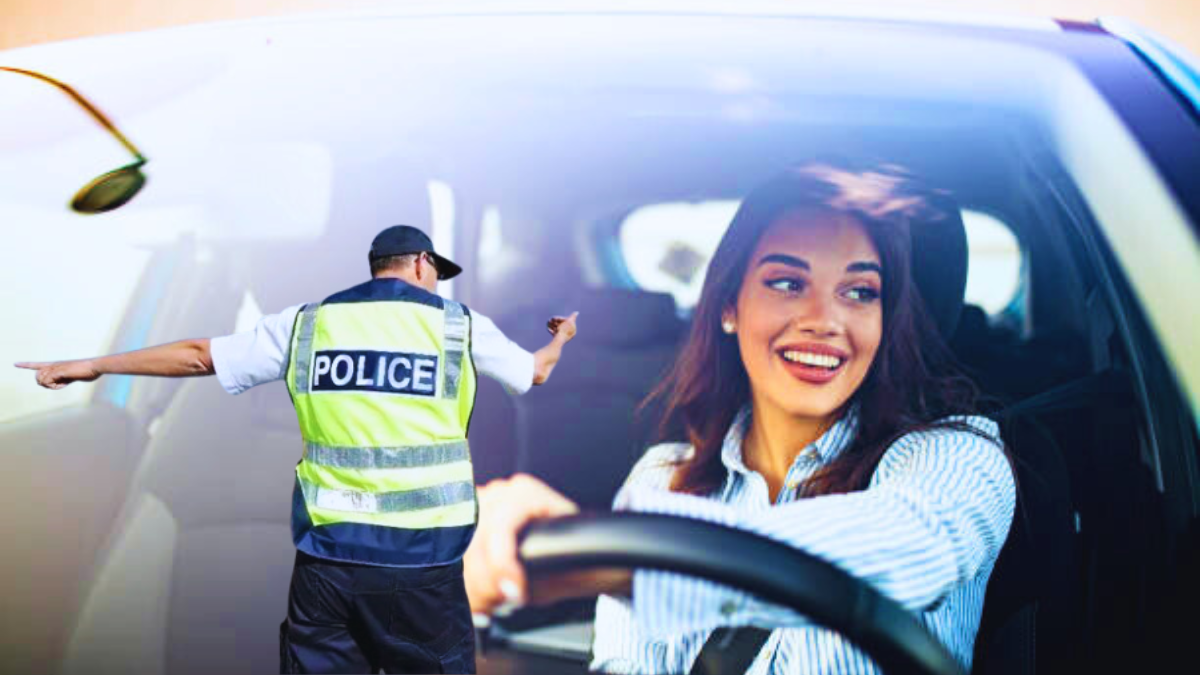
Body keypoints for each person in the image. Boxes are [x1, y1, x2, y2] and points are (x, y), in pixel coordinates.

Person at [464, 163, 1016, 674]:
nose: (824, 320)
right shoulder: (665, 479)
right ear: (730, 305)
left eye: (859, 291)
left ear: (883, 320)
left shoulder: (958, 458)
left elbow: (911, 544)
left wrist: (607, 562)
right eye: (786, 282)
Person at [16, 224, 579, 674]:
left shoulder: (308, 325)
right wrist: (561, 338)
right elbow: (535, 374)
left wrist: (92, 365)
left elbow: (197, 355)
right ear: (420, 265)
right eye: (435, 271)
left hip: (327, 563)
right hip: (421, 565)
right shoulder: (460, 327)